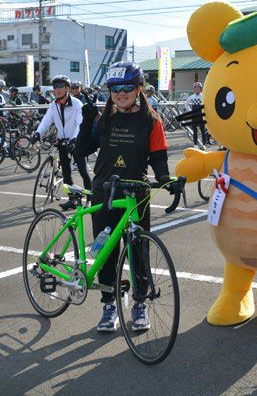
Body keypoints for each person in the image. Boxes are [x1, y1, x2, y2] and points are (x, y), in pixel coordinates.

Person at [76, 61, 171, 333]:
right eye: (115, 88)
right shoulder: (103, 119)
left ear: (139, 88)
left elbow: (159, 156)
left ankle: (139, 303)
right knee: (105, 251)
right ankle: (110, 304)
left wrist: (165, 178)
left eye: (127, 87)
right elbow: (82, 149)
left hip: (136, 193)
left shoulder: (151, 120)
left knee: (138, 251)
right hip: (104, 191)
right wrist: (86, 120)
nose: (121, 93)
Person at [32, 75, 92, 209]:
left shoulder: (77, 104)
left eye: (60, 86)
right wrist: (37, 133)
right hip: (63, 142)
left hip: (77, 141)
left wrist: (75, 139)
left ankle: (90, 198)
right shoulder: (54, 105)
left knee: (83, 170)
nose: (57, 89)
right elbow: (47, 120)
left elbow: (80, 123)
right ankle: (73, 200)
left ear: (67, 88)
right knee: (66, 173)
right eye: (55, 86)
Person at [185, 81, 207, 150]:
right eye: (195, 88)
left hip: (201, 116)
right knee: (195, 131)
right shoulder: (192, 97)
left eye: (198, 88)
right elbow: (186, 104)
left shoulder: (203, 96)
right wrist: (190, 111)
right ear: (194, 89)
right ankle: (195, 144)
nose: (196, 89)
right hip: (194, 116)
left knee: (203, 130)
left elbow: (207, 105)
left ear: (201, 89)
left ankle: (203, 144)